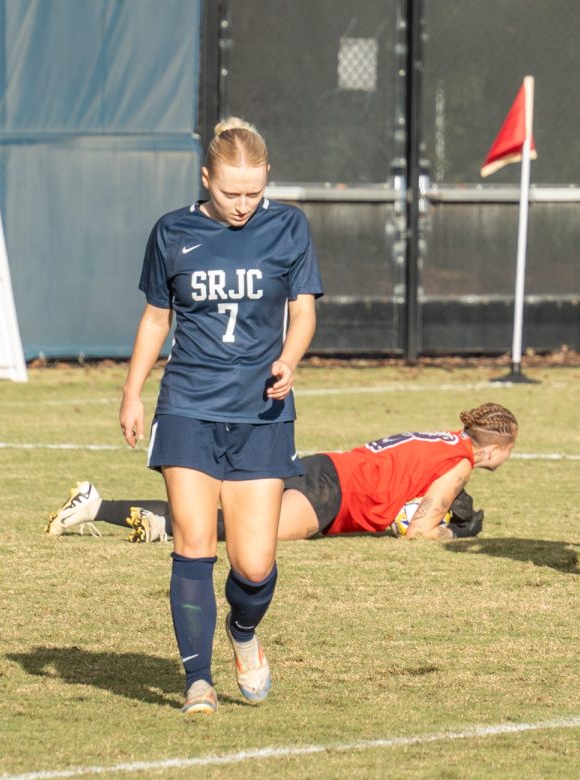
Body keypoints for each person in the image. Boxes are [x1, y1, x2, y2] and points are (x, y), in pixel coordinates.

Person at [119, 118, 323, 714]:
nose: (241, 204)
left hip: (262, 413)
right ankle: (197, 682)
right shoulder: (172, 231)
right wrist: (133, 392)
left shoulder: (288, 227)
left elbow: (303, 313)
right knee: (193, 543)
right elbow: (157, 318)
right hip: (188, 406)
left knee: (254, 566)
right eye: (230, 191)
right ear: (206, 177)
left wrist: (288, 358)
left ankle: (242, 631)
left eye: (253, 193)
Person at [47, 402, 517, 542]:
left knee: (215, 508)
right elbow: (418, 530)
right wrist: (454, 536)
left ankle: (97, 505)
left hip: (321, 467)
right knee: (242, 532)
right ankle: (109, 510)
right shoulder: (458, 463)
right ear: (497, 450)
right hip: (331, 493)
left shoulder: (445, 438)